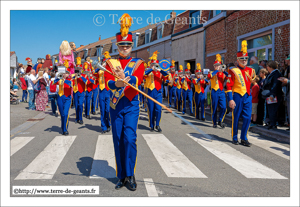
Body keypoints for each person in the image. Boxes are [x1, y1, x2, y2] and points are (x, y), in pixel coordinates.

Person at [104, 13, 145, 191]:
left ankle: (130, 174)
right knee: (118, 138)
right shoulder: (110, 63)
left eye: (128, 45)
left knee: (129, 138)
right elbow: (107, 82)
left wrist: (126, 79)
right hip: (115, 105)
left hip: (130, 104)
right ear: (117, 46)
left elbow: (138, 79)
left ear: (132, 46)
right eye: (122, 45)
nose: (125, 48)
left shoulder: (138, 63)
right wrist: (117, 82)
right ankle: (121, 176)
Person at [226, 40, 254, 147]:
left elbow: (252, 82)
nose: (244, 60)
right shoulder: (233, 70)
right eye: (241, 59)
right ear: (237, 60)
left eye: (245, 58)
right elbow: (228, 85)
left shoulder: (251, 70)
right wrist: (230, 99)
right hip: (237, 96)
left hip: (247, 96)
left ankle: (244, 138)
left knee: (247, 118)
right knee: (236, 117)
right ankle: (234, 138)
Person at [143, 51, 168, 132]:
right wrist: (151, 69)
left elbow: (166, 76)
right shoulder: (148, 71)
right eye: (153, 65)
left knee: (158, 109)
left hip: (158, 93)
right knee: (151, 109)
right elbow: (144, 74)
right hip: (150, 92)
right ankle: (151, 125)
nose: (154, 66)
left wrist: (159, 69)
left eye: (156, 65)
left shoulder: (160, 73)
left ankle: (157, 124)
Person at [207, 54, 227, 129]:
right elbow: (209, 77)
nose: (217, 66)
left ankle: (220, 120)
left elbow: (228, 78)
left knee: (224, 107)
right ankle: (214, 122)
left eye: (219, 65)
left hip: (221, 91)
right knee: (214, 107)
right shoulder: (212, 72)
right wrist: (216, 71)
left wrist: (224, 71)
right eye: (216, 65)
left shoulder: (222, 73)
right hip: (214, 91)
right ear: (214, 66)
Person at [263, 60, 283, 130]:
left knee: (273, 109)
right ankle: (271, 123)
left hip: (274, 95)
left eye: (267, 66)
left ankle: (273, 124)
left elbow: (275, 85)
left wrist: (272, 95)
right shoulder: (271, 74)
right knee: (270, 109)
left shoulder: (276, 74)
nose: (267, 68)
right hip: (270, 94)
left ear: (270, 67)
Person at [93, 56, 111, 133]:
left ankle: (108, 124)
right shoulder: (99, 71)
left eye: (105, 63)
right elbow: (94, 73)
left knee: (108, 110)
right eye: (103, 63)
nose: (104, 64)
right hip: (101, 91)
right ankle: (103, 127)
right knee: (102, 110)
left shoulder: (109, 70)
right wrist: (100, 67)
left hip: (108, 91)